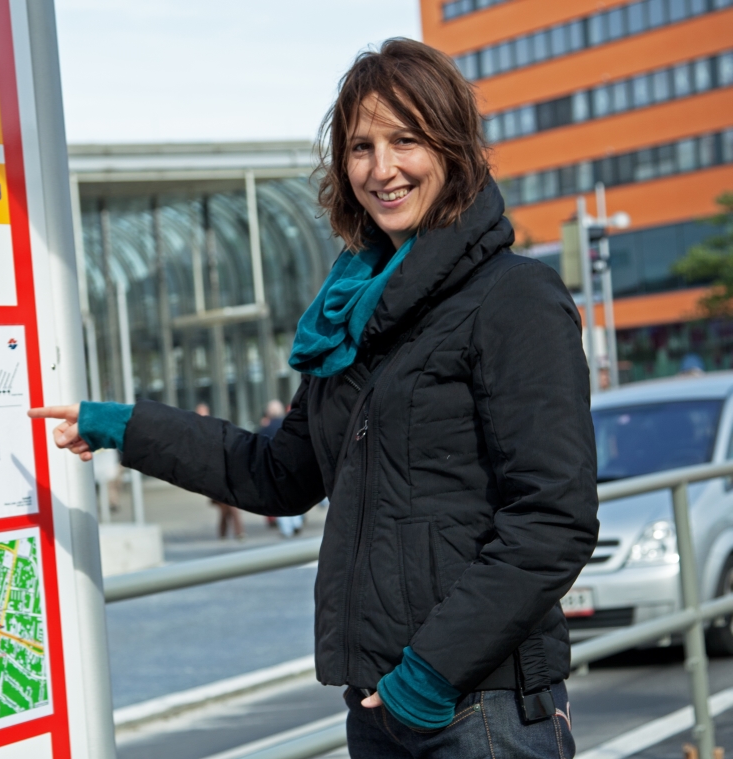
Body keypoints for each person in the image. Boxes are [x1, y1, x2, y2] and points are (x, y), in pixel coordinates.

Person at [32, 38, 596, 757]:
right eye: (361, 146)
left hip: (478, 710)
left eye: (406, 140)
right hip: (380, 705)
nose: (381, 168)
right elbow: (275, 472)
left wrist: (428, 676)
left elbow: (554, 517)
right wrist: (124, 425)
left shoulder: (514, 297)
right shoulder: (355, 313)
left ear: (453, 148)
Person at [197, 403, 245, 540]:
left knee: (230, 505)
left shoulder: (214, 427)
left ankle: (232, 532)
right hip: (213, 476)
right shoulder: (196, 432)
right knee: (227, 506)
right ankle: (231, 532)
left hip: (225, 473)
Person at [259, 400, 303, 537]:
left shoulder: (265, 428)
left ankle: (287, 529)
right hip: (292, 465)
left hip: (274, 468)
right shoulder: (287, 424)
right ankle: (296, 523)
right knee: (295, 496)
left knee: (280, 499)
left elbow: (259, 448)